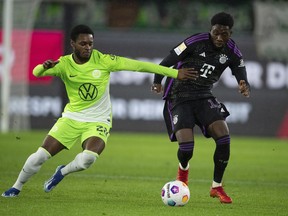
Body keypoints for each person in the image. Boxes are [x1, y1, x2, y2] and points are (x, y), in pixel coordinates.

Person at [2, 24, 198, 198]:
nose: (87, 47)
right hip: (71, 118)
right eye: (83, 44)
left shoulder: (104, 60)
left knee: (87, 159)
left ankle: (62, 172)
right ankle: (16, 187)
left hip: (98, 121)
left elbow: (139, 66)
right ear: (73, 44)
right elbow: (36, 73)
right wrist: (43, 67)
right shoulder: (63, 64)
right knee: (40, 156)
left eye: (90, 43)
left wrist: (174, 73)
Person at [151, 12, 250, 204]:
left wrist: (243, 82)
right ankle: (183, 174)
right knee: (187, 148)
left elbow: (239, 67)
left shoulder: (231, 49)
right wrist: (157, 80)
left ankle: (217, 187)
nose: (220, 38)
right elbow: (169, 60)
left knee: (224, 138)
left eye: (225, 34)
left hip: (204, 95)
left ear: (231, 33)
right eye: (216, 33)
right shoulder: (195, 41)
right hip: (179, 96)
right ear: (210, 30)